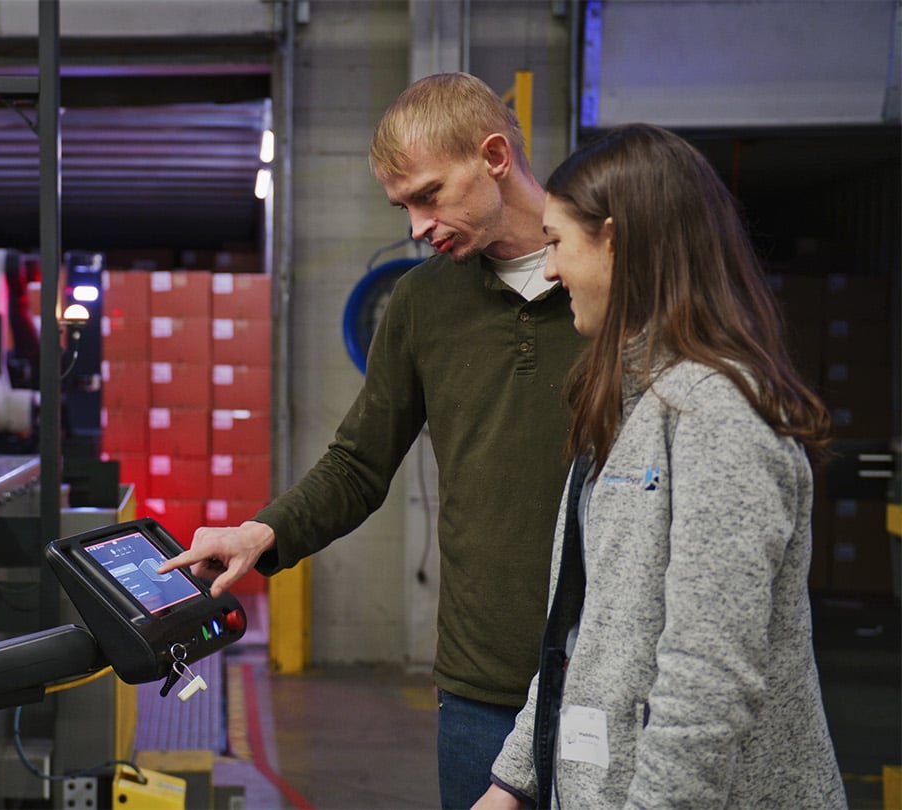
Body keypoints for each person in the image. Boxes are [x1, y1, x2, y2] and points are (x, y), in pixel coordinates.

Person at [158, 73, 587, 808]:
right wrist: (262, 533)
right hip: (483, 686)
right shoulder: (422, 302)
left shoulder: (612, 279)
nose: (417, 226)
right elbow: (358, 462)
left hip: (606, 674)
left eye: (427, 195)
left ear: (492, 155)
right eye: (404, 207)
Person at [474, 123, 845, 809]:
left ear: (614, 240)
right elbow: (580, 635)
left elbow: (707, 683)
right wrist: (513, 782)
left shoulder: (720, 412)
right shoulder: (625, 405)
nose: (550, 269)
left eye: (558, 242)